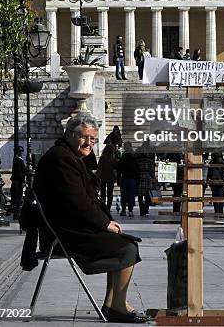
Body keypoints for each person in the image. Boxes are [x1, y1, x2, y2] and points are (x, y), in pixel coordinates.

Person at [33, 114, 147, 323]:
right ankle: (117, 305)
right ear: (69, 135)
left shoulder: (69, 156)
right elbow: (77, 202)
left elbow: (83, 200)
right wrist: (104, 224)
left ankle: (115, 303)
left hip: (70, 226)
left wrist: (106, 222)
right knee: (126, 248)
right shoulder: (61, 159)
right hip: (64, 233)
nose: (88, 143)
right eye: (83, 137)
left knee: (126, 243)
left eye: (92, 139)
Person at [117, 141, 139, 217]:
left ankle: (123, 210)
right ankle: (130, 210)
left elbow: (119, 169)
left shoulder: (122, 157)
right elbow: (137, 170)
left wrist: (118, 179)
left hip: (124, 178)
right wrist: (137, 180)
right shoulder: (135, 157)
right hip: (132, 179)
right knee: (131, 195)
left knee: (124, 195)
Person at [96, 144, 118, 211]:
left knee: (103, 193)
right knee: (110, 193)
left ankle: (103, 207)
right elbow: (116, 167)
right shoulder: (113, 159)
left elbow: (99, 167)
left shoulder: (102, 157)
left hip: (103, 177)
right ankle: (108, 207)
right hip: (111, 177)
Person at [136, 149, 155, 218]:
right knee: (147, 195)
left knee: (140, 196)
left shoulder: (137, 162)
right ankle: (146, 209)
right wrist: (154, 178)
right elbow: (152, 172)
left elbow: (136, 171)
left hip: (140, 179)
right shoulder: (150, 162)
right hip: (147, 179)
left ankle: (141, 210)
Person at [11, 146, 26, 220]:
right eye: (20, 151)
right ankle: (16, 215)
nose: (21, 153)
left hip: (17, 182)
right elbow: (20, 172)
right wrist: (23, 181)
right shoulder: (17, 160)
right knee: (18, 199)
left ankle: (16, 214)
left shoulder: (18, 159)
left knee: (18, 199)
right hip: (18, 182)